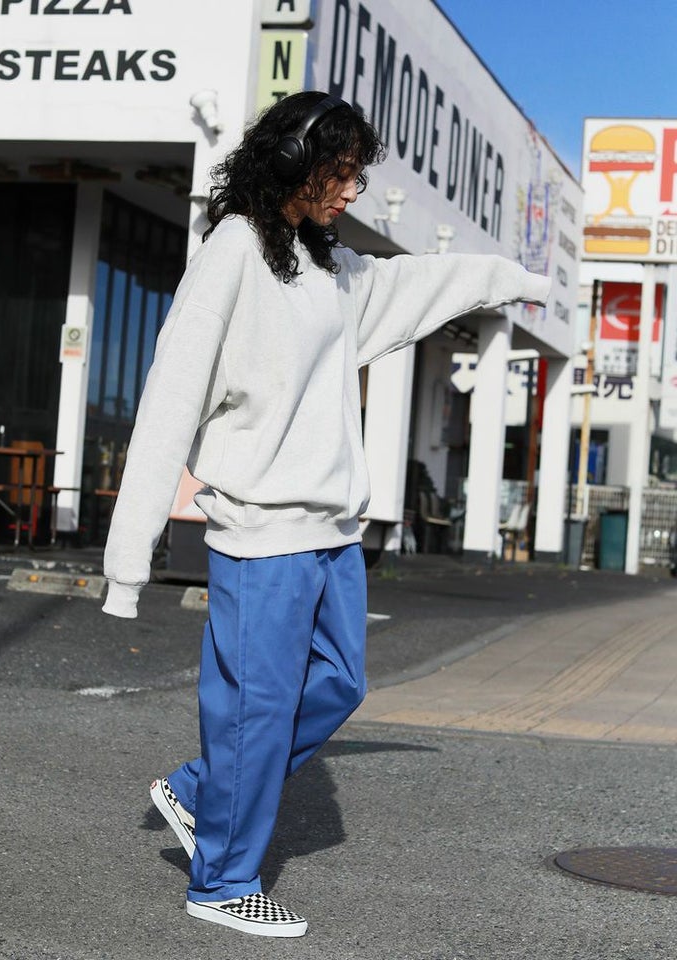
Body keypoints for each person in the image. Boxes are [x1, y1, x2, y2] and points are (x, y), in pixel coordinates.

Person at [102, 91, 551, 938]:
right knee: (257, 707)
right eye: (340, 173)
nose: (352, 190)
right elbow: (169, 399)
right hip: (262, 529)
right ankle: (222, 882)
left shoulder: (329, 267)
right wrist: (130, 560)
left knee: (340, 684)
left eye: (356, 175)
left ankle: (200, 792)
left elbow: (415, 283)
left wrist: (509, 280)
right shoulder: (234, 253)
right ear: (291, 163)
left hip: (333, 530)